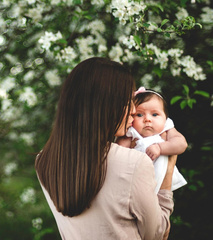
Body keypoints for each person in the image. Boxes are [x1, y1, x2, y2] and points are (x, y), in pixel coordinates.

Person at [35, 57, 179, 240]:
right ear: (106, 105)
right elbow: (157, 234)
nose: (134, 111)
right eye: (129, 101)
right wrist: (168, 171)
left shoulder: (44, 161)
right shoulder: (133, 163)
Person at [117, 87, 188, 194]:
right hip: (135, 183)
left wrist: (160, 147)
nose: (147, 119)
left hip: (162, 181)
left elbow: (182, 144)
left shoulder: (166, 128)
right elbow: (118, 155)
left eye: (155, 114)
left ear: (165, 118)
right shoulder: (131, 132)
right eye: (139, 115)